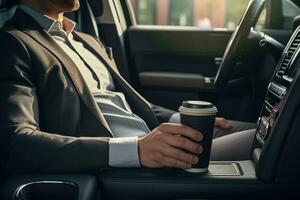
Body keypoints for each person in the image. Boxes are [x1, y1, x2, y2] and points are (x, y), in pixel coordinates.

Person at [0, 0, 256, 175]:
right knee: (266, 144)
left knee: (263, 132)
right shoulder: (14, 44)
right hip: (126, 169)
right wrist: (135, 150)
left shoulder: (87, 41)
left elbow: (125, 106)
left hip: (155, 142)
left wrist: (183, 120)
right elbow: (15, 143)